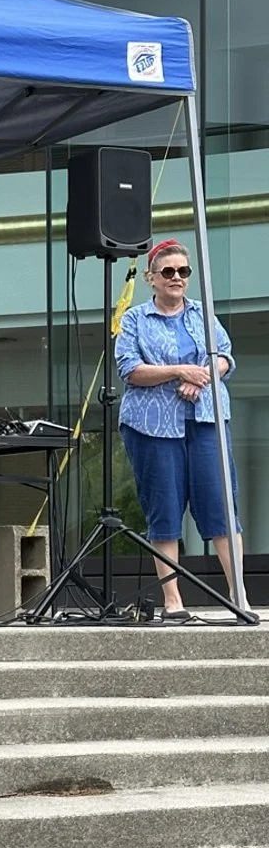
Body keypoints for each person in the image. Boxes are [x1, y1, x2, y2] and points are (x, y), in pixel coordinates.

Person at [116, 237, 245, 621]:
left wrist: (202, 375)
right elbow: (130, 371)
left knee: (222, 508)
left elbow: (224, 356)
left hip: (206, 422)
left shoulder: (202, 314)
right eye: (168, 271)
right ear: (151, 278)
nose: (177, 278)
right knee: (165, 512)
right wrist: (179, 371)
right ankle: (174, 601)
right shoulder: (135, 319)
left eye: (183, 271)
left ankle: (238, 596)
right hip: (152, 429)